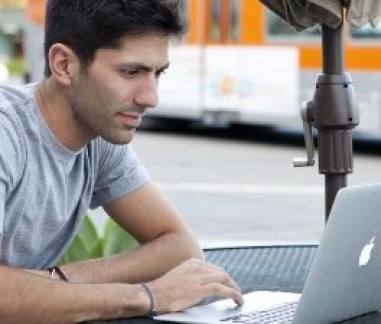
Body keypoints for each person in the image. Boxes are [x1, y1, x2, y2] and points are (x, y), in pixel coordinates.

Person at [0, 1, 243, 322]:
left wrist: (56, 281)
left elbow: (179, 246)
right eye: (131, 72)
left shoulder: (97, 133)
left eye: (158, 73)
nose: (151, 97)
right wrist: (146, 296)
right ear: (63, 65)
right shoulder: (7, 134)